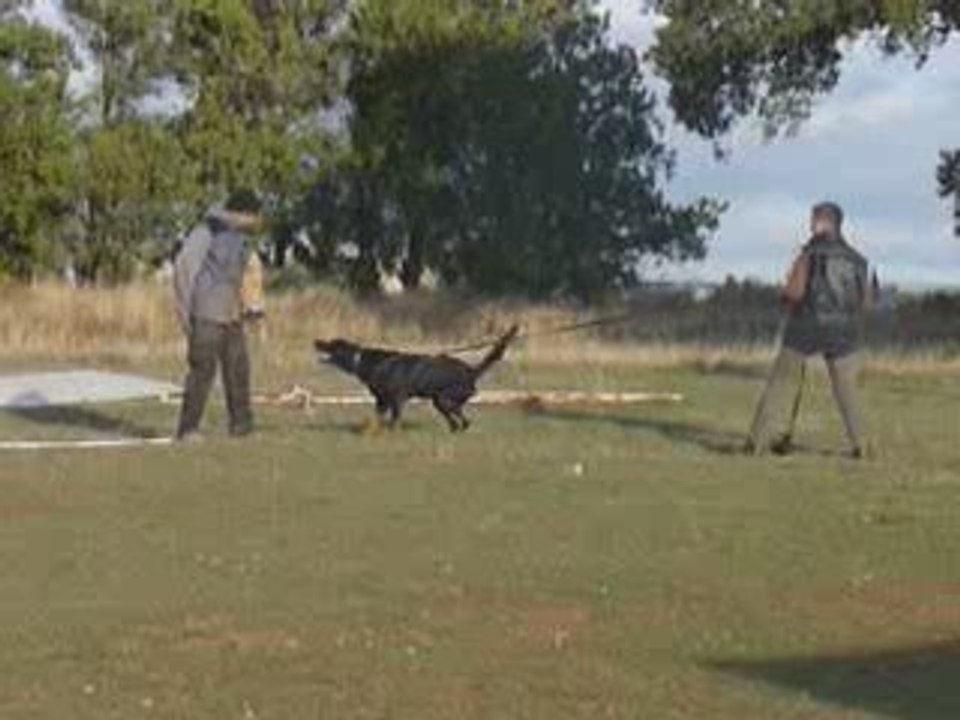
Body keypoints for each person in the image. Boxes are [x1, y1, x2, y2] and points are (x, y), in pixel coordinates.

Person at [746, 202, 873, 459]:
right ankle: (863, 447)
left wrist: (785, 299)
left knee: (780, 384)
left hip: (805, 325)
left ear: (826, 223)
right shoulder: (859, 260)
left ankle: (757, 443)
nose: (810, 224)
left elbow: (795, 292)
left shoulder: (809, 254)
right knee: (848, 391)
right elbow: (866, 301)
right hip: (844, 331)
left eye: (814, 220)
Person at [173, 190, 263, 441]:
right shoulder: (206, 232)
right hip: (205, 313)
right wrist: (185, 313)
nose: (257, 223)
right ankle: (188, 429)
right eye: (254, 217)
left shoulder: (242, 239)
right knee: (202, 372)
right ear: (242, 214)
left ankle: (242, 427)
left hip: (231, 314)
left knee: (238, 370)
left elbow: (246, 276)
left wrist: (251, 309)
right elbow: (184, 269)